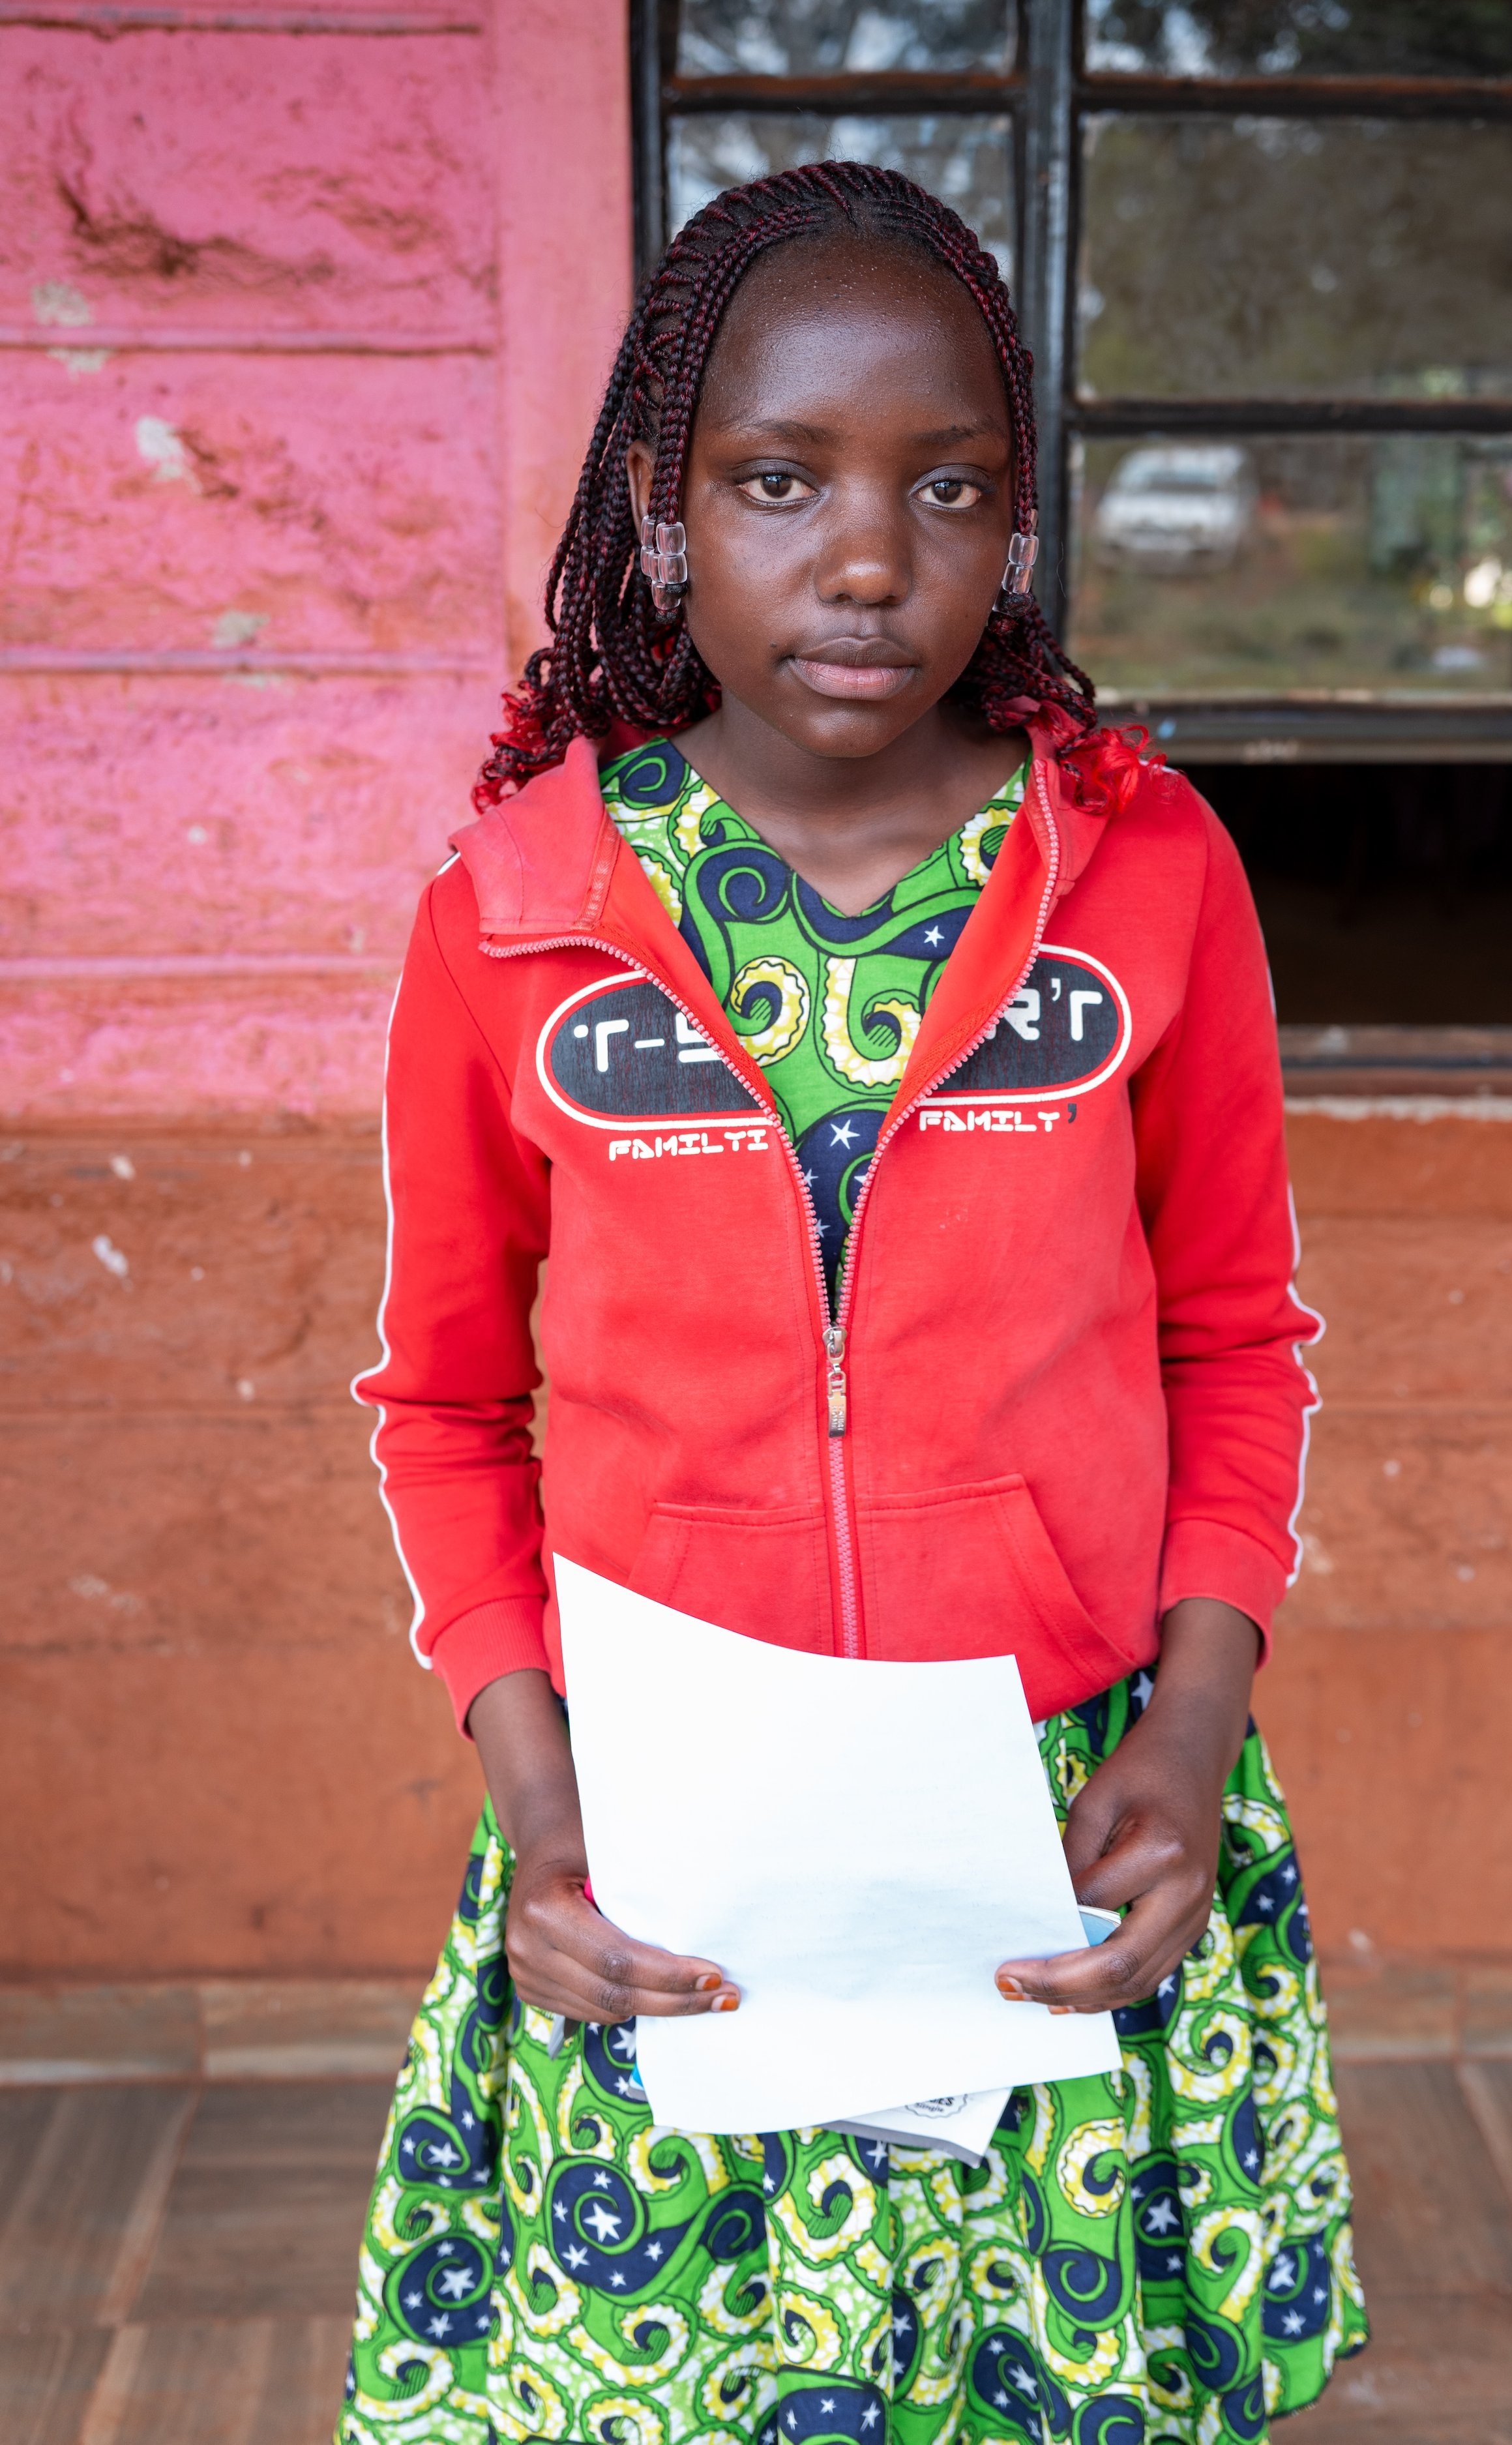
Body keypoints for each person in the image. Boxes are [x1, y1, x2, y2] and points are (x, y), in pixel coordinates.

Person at [338, 162, 1366, 2445]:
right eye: (779, 480)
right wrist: (549, 1810)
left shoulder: (1142, 869)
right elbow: (437, 1405)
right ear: (658, 501)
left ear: (1015, 524)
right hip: (669, 1856)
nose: (868, 556)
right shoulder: (513, 910)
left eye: (950, 484)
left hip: (1066, 1837)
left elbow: (1235, 1341)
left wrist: (1186, 1756)